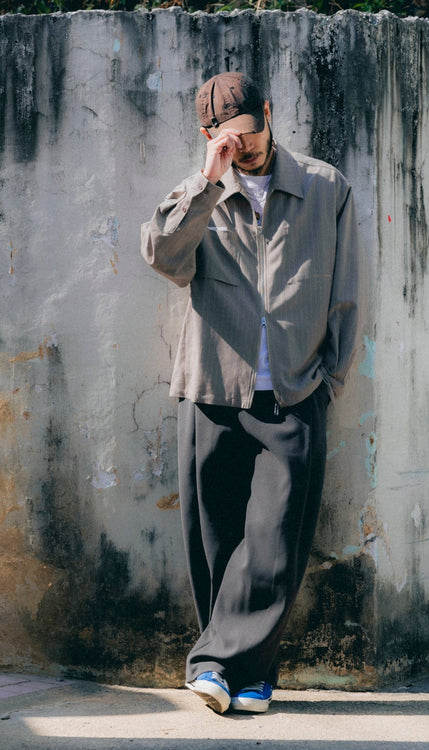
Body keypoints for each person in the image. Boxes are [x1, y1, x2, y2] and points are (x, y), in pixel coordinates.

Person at [141, 72, 362, 714]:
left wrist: (329, 381)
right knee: (215, 542)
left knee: (275, 542)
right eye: (230, 140)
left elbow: (347, 292)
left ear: (268, 113)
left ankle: (213, 665)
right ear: (210, 137)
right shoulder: (204, 193)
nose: (247, 147)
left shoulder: (324, 187)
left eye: (253, 132)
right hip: (213, 389)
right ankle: (251, 675)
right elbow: (162, 256)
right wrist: (208, 182)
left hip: (294, 391)